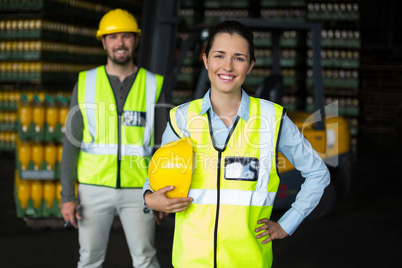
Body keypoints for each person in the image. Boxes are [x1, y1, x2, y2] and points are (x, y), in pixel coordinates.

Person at [143, 20, 330, 268]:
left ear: (250, 65)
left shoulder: (271, 120)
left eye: (239, 58)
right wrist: (148, 198)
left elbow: (318, 173)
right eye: (219, 56)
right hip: (191, 260)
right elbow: (156, 175)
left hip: (247, 261)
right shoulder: (182, 118)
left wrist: (288, 222)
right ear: (206, 59)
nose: (228, 67)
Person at [60, 8, 164, 268]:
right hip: (93, 190)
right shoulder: (85, 82)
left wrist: (162, 190)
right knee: (89, 259)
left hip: (140, 190)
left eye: (126, 36)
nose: (120, 43)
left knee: (146, 258)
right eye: (113, 37)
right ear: (104, 42)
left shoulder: (154, 84)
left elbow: (164, 147)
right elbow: (71, 145)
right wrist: (66, 195)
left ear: (136, 40)